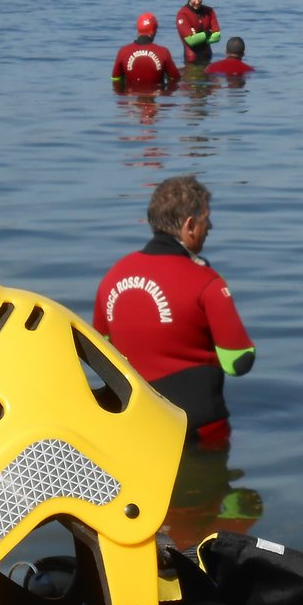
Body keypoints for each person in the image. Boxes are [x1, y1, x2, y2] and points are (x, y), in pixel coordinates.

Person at [94, 174, 255, 447]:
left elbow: (100, 350)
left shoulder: (113, 276)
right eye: (206, 220)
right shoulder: (207, 283)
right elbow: (238, 361)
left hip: (138, 425)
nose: (210, 226)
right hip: (200, 427)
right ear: (190, 226)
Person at [111, 13, 181, 90]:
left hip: (131, 98)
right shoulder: (163, 52)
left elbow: (115, 80)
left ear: (138, 29)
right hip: (157, 97)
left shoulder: (123, 52)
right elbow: (175, 79)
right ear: (153, 32)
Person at [175, 0, 221, 66]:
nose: (197, 1)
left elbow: (217, 36)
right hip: (191, 60)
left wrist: (198, 37)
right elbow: (191, 41)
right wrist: (208, 32)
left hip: (208, 58)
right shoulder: (182, 14)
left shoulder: (209, 11)